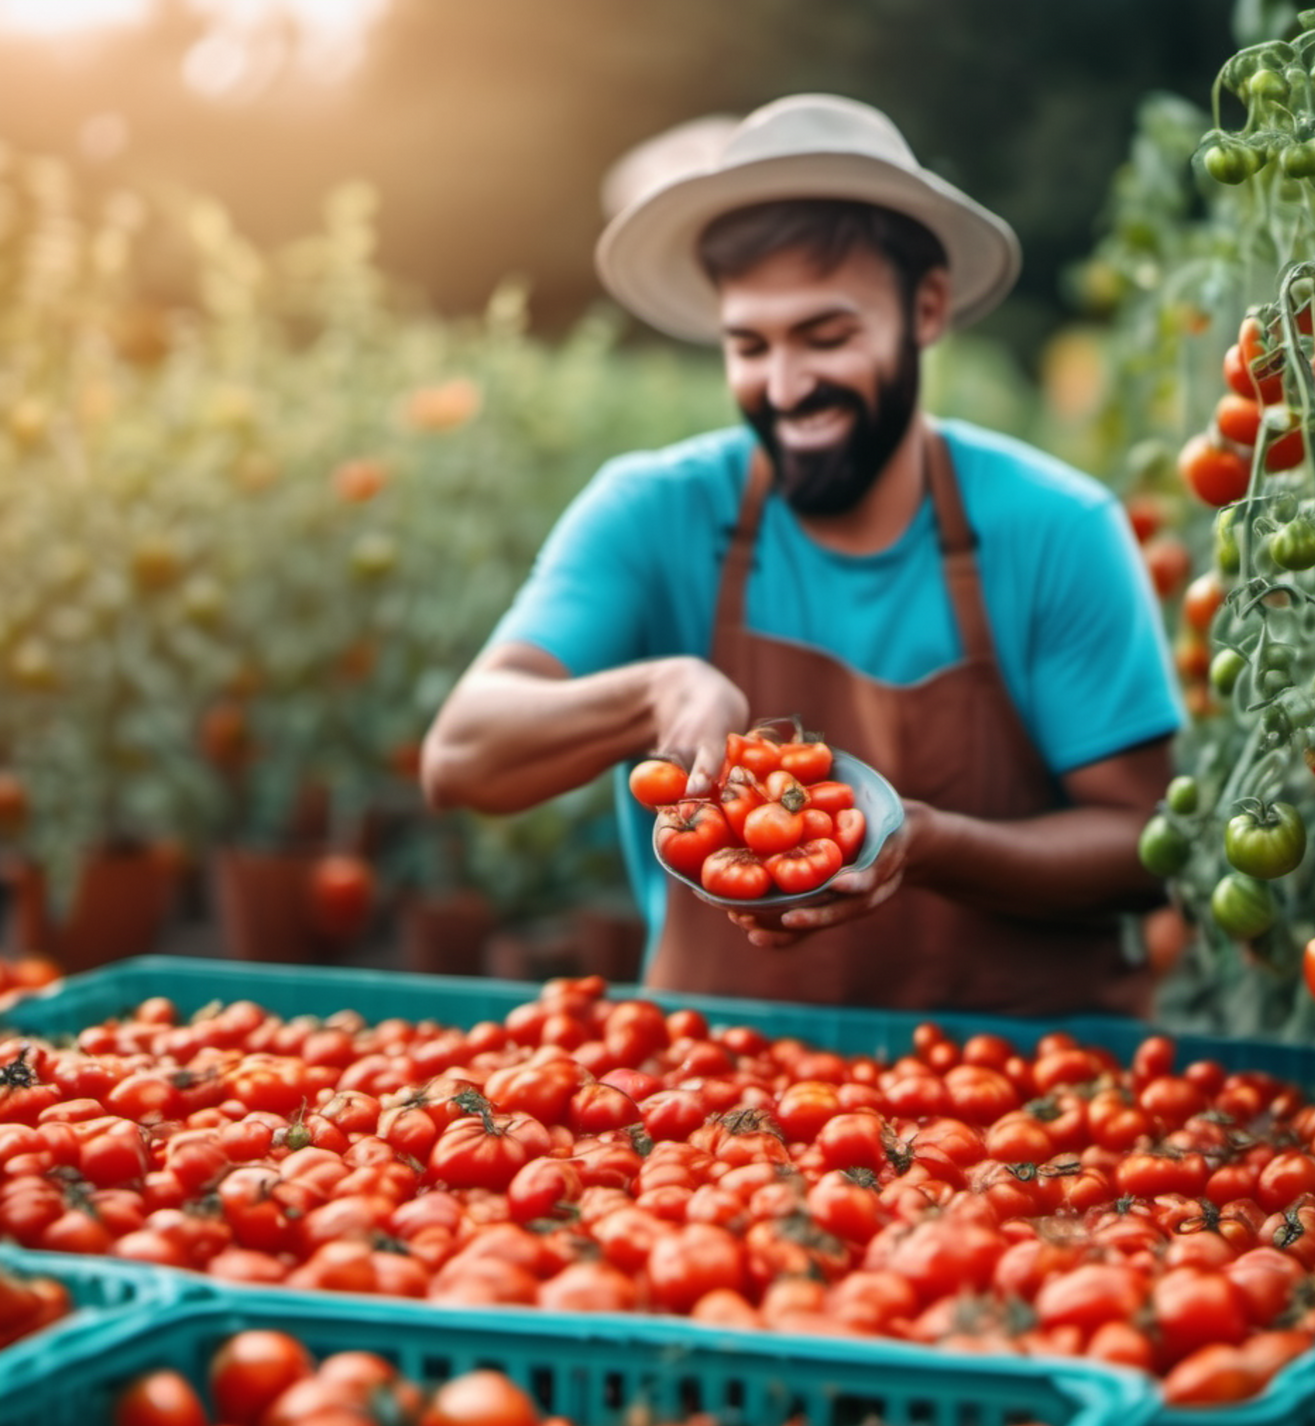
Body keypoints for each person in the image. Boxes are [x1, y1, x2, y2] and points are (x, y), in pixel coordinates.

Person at [422, 94, 1185, 1016]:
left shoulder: (1053, 529)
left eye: (826, 337)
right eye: (749, 345)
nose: (784, 388)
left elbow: (1144, 847)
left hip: (1032, 1114)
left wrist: (929, 843)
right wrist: (656, 691)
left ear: (927, 308)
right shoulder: (655, 512)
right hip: (723, 1111)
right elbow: (460, 754)